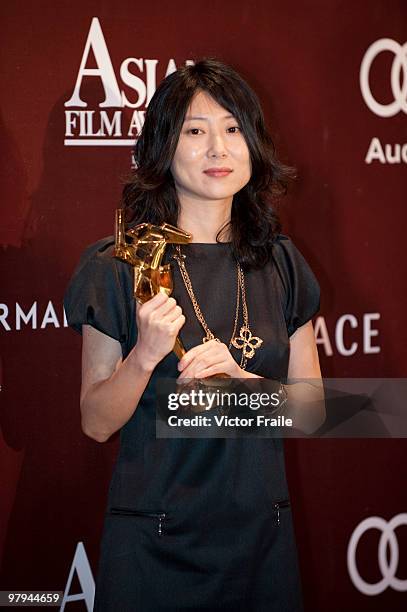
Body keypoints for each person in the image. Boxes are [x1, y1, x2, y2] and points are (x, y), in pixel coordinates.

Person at [64, 58, 322, 611]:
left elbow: (316, 413)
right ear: (162, 147)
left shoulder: (283, 265)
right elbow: (94, 423)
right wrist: (142, 358)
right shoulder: (119, 267)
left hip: (262, 543)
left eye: (232, 130)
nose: (218, 150)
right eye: (195, 131)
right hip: (155, 547)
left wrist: (244, 385)